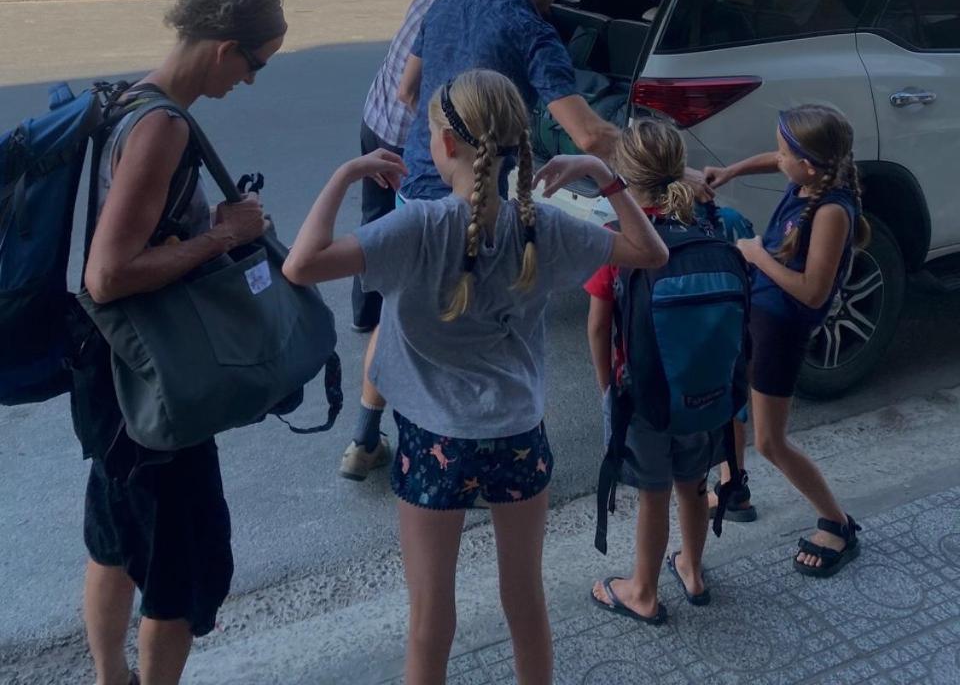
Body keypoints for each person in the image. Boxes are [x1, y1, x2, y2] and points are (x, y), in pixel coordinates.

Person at [283, 69, 668, 685]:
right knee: (526, 599)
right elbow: (651, 253)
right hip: (518, 433)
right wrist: (603, 175)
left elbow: (301, 265)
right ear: (517, 142)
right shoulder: (543, 225)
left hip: (434, 439)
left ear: (445, 145)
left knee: (429, 615)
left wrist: (345, 175)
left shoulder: (416, 227)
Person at [340, 0, 623, 481]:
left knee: (400, 312)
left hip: (420, 180)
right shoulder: (533, 30)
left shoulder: (446, 3)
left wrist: (444, 137)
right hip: (478, 191)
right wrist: (662, 159)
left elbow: (407, 90)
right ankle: (474, 439)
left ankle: (363, 440)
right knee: (482, 317)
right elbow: (588, 134)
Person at [79, 0, 286, 685]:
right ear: (226, 48)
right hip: (150, 384)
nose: (250, 80)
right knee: (180, 565)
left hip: (110, 370)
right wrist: (225, 236)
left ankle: (110, 677)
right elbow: (108, 274)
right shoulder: (162, 127)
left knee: (114, 540)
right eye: (256, 64)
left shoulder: (126, 99)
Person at [704, 104, 868, 577]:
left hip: (781, 330)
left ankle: (837, 523)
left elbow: (813, 291)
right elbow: (774, 160)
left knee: (772, 442)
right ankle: (733, 486)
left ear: (809, 164)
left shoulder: (831, 211)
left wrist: (758, 255)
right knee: (732, 394)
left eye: (783, 153)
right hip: (759, 312)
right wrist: (730, 171)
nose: (776, 159)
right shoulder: (808, 180)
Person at [585, 119, 727, 623]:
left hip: (643, 396)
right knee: (694, 483)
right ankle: (692, 570)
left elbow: (598, 326)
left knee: (654, 493)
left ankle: (642, 591)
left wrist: (608, 387)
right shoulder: (709, 225)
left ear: (625, 175)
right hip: (704, 388)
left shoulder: (617, 238)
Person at [352, 0, 497, 336]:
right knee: (397, 230)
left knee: (373, 216)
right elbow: (408, 93)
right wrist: (434, 130)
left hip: (372, 117)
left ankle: (364, 314)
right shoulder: (452, 14)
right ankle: (390, 317)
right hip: (398, 132)